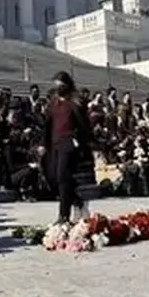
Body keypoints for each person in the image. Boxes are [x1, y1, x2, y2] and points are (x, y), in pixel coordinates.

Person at [44, 71, 93, 224]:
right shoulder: (53, 103)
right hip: (54, 143)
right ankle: (78, 201)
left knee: (62, 177)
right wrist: (42, 144)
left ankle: (63, 216)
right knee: (53, 177)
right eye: (56, 85)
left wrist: (81, 142)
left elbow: (85, 125)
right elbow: (48, 125)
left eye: (61, 85)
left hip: (69, 143)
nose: (58, 88)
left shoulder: (75, 102)